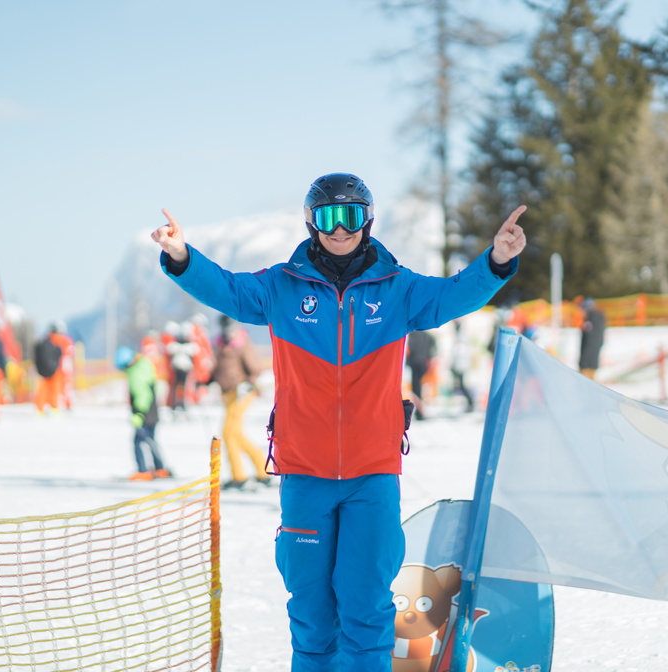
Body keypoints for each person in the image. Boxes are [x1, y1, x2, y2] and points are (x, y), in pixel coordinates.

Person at [150, 172, 526, 671]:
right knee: (311, 613)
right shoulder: (282, 286)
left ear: (367, 220)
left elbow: (454, 295)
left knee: (366, 608)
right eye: (329, 216)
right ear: (312, 222)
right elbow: (230, 292)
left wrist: (497, 260)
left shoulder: (398, 288)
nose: (340, 229)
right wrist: (182, 258)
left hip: (372, 474)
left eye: (351, 215)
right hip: (305, 473)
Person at [211, 315, 270, 489]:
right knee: (234, 434)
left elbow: (254, 367)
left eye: (229, 329)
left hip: (243, 392)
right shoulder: (220, 343)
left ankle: (240, 476)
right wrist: (207, 379)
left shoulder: (242, 341)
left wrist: (249, 383)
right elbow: (219, 368)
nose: (227, 332)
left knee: (229, 432)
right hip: (229, 392)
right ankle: (261, 470)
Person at [114, 345, 172, 481]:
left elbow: (142, 395)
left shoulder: (136, 373)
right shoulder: (144, 367)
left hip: (144, 413)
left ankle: (143, 470)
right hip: (152, 412)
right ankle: (160, 468)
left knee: (139, 441)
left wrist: (139, 413)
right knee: (150, 440)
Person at [405, 329, 437, 420]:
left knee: (416, 388)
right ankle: (420, 411)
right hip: (423, 363)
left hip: (414, 364)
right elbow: (431, 349)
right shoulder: (427, 335)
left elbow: (409, 349)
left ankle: (419, 412)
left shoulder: (412, 335)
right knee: (420, 387)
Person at [33, 325, 65, 415]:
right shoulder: (59, 340)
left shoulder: (41, 342)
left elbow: (37, 356)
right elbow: (61, 353)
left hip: (43, 370)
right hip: (55, 370)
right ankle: (54, 408)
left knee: (42, 390)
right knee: (54, 390)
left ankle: (39, 409)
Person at [449, 320, 475, 413]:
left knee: (462, 385)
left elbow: (459, 352)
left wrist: (455, 364)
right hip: (460, 364)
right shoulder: (460, 336)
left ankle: (471, 403)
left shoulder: (461, 337)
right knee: (460, 385)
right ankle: (470, 403)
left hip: (461, 364)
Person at [578, 297, 606, 379]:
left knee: (587, 381)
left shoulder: (592, 319)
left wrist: (583, 363)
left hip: (587, 363)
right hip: (592, 361)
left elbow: (588, 343)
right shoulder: (599, 319)